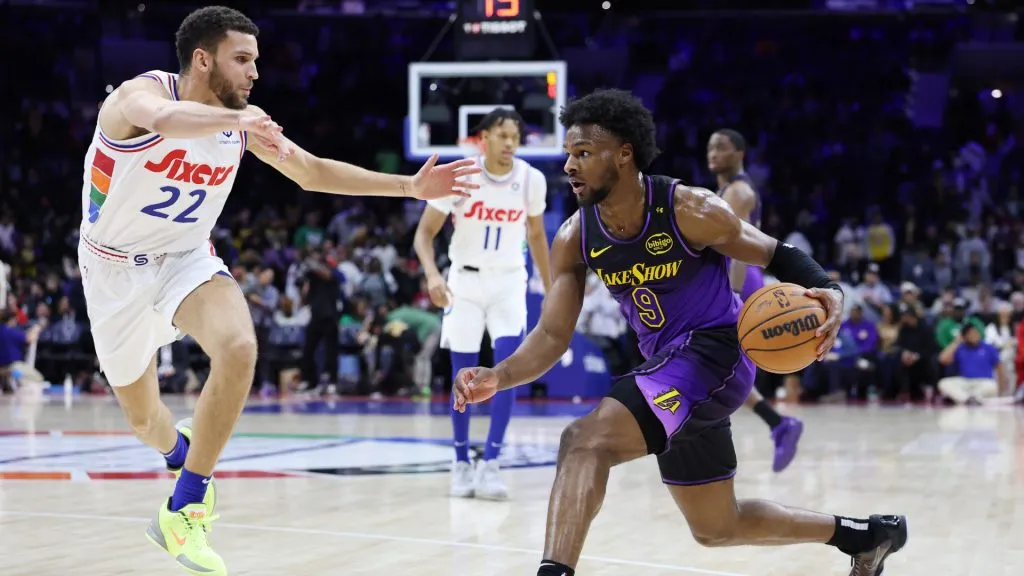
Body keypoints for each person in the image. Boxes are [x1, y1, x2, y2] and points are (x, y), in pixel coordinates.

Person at [78, 6, 480, 575]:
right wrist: (239, 124)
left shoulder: (242, 121)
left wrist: (410, 187)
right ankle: (178, 454)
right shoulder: (135, 98)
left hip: (184, 260)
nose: (254, 73)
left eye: (255, 62)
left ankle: (185, 505)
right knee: (145, 422)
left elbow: (312, 172)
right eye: (242, 60)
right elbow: (165, 117)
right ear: (202, 59)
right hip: (112, 271)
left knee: (240, 347)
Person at [452, 89, 906, 576]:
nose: (570, 165)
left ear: (624, 154)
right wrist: (499, 375)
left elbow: (774, 253)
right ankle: (864, 536)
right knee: (717, 527)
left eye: (583, 153)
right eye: (568, 154)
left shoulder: (689, 208)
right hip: (668, 368)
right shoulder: (575, 237)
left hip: (717, 351)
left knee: (584, 440)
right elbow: (551, 337)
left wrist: (828, 289)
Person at [414, 107, 552, 500]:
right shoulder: (461, 176)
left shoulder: (531, 180)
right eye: (502, 134)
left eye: (515, 136)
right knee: (463, 375)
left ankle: (491, 463)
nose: (510, 142)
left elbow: (538, 237)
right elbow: (424, 236)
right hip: (464, 282)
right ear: (484, 137)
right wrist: (432, 275)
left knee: (506, 372)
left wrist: (552, 282)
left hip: (510, 282)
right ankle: (461, 462)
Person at [707, 128, 804, 472]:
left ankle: (773, 424)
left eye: (722, 147)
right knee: (717, 365)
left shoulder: (738, 191)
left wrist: (731, 296)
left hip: (739, 279)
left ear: (740, 153)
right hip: (736, 277)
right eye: (710, 147)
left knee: (715, 363)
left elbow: (737, 249)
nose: (713, 152)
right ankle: (778, 423)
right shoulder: (727, 189)